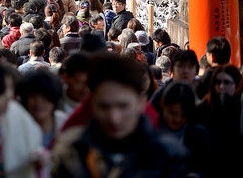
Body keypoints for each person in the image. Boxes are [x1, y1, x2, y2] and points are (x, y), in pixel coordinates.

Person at [51, 54, 186, 177]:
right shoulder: (71, 151)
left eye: (123, 106)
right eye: (104, 107)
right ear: (91, 103)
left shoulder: (169, 155)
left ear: (140, 102)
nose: (114, 118)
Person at [197, 65, 243, 177]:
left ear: (236, 84)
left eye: (227, 83)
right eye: (218, 82)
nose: (222, 87)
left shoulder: (240, 109)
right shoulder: (204, 106)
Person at [159, 82, 212, 177]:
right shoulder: (151, 130)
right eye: (173, 113)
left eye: (184, 115)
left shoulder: (199, 135)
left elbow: (207, 166)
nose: (177, 119)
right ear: (162, 104)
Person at [17, 69, 66, 148]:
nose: (38, 102)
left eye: (44, 96)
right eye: (33, 96)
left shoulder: (65, 124)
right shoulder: (17, 127)